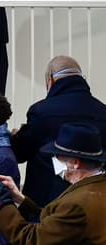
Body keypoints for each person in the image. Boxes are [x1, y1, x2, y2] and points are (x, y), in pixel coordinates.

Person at [0, 122, 106, 244]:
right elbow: (59, 221)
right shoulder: (98, 187)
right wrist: (22, 200)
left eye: (57, 156)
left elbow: (31, 239)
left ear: (75, 163)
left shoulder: (77, 205)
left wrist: (0, 201)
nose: (54, 160)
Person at [11, 55, 106, 206]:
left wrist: (17, 137)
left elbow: (21, 152)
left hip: (45, 202)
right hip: (93, 200)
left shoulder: (41, 111)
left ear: (51, 80)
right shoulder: (102, 111)